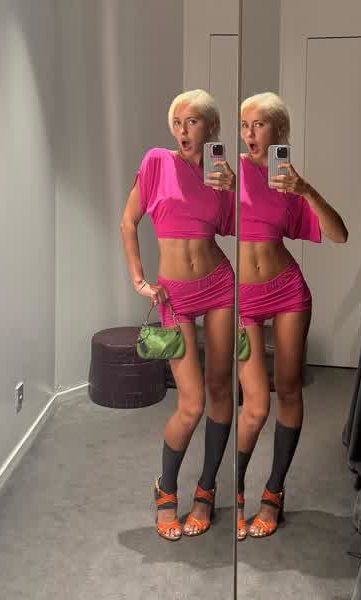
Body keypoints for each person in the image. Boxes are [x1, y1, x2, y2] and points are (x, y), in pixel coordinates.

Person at [120, 90, 236, 541]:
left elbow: (237, 228)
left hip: (220, 286)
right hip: (175, 297)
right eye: (178, 122)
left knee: (222, 390)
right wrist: (138, 278)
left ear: (211, 128)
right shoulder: (156, 162)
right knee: (191, 403)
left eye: (193, 122)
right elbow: (129, 221)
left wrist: (234, 190)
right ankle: (166, 487)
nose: (183, 130)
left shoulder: (219, 173)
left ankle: (206, 489)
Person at [237, 92, 348, 540]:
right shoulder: (230, 174)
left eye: (259, 125)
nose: (249, 133)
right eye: (244, 125)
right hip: (244, 300)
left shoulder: (290, 184)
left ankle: (274, 492)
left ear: (279, 132)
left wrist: (307, 191)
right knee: (254, 404)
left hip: (287, 293)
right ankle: (235, 490)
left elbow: (339, 234)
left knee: (287, 389)